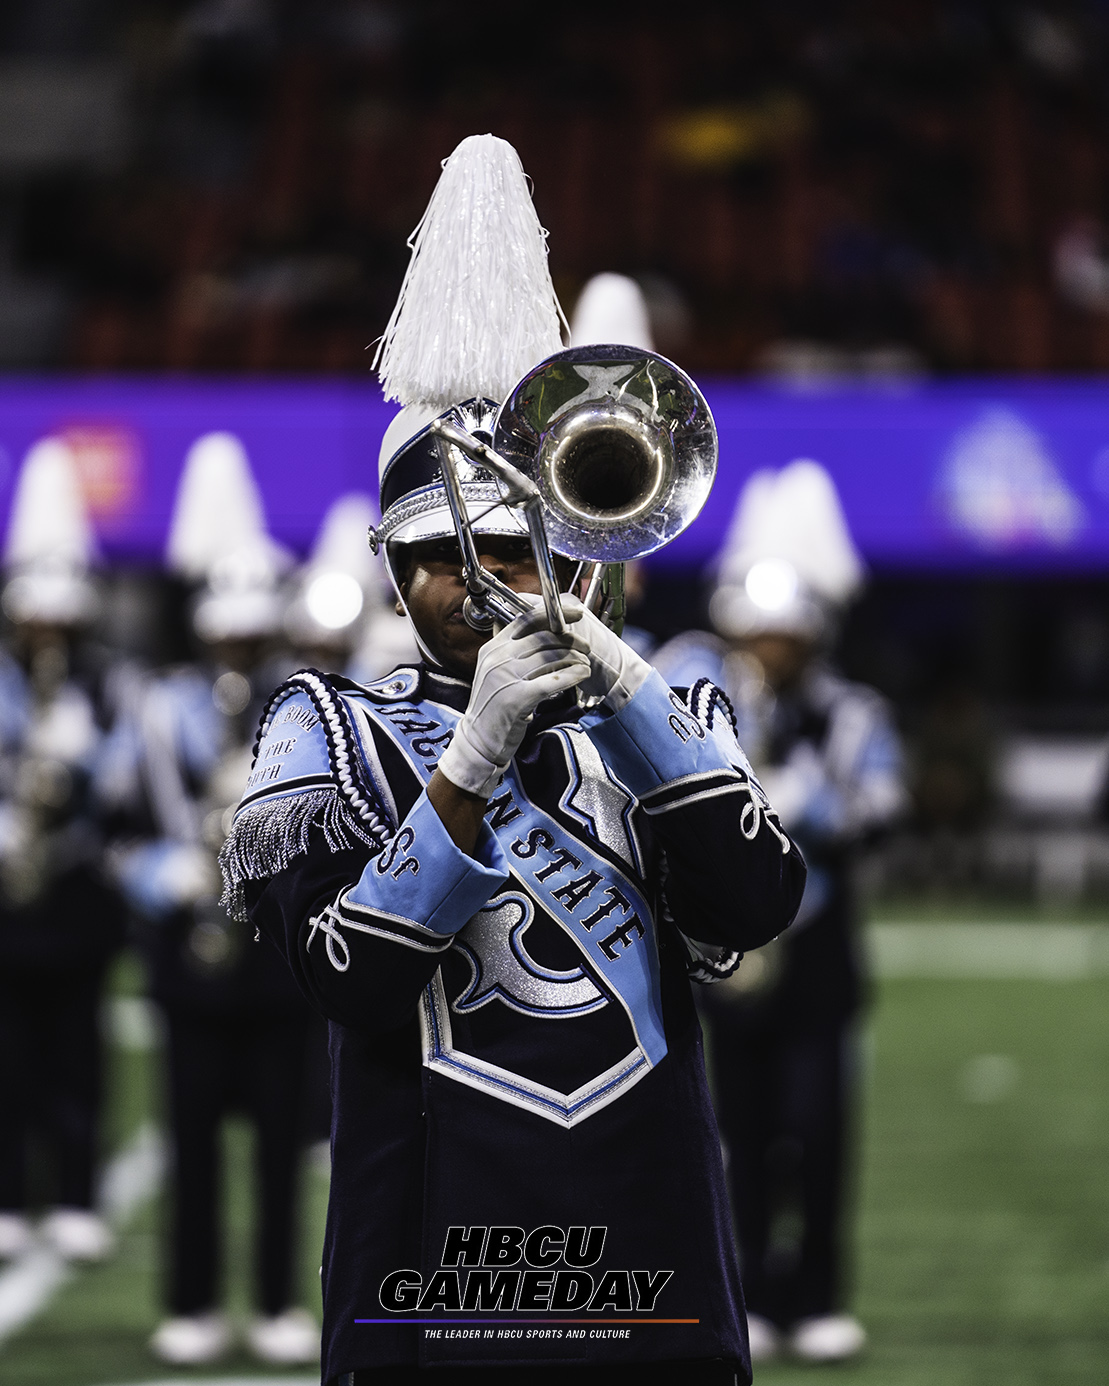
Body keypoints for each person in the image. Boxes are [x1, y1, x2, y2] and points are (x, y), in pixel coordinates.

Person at [220, 134, 806, 1386]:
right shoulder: (322, 728)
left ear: (577, 549)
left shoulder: (667, 711)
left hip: (650, 1254)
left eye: (520, 543)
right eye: (443, 555)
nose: (484, 580)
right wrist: (470, 757)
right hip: (432, 1271)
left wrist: (621, 681)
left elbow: (755, 901)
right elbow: (344, 979)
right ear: (393, 569)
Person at [655, 460, 906, 1364]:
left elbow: (882, 808)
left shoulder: (850, 712)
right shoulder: (707, 698)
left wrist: (813, 800)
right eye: (753, 631)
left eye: (783, 633)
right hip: (733, 940)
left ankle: (818, 1295)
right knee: (740, 1128)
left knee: (820, 1129)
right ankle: (750, 1290)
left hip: (821, 942)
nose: (767, 647)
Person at [104, 431, 320, 1366]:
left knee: (282, 1149)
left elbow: (337, 830)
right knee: (190, 1146)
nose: (236, 643)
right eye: (223, 630)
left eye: (250, 630)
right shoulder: (159, 711)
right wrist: (164, 874)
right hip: (189, 960)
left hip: (277, 966)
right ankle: (191, 1302)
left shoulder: (307, 709)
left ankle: (276, 1301)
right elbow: (113, 828)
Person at [0, 438, 124, 1264]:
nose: (47, 627)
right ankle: (9, 1198)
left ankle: (77, 1194)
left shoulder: (110, 684)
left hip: (77, 889)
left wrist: (89, 764)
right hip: (8, 892)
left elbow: (130, 789)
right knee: (6, 1054)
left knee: (80, 1049)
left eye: (60, 613)